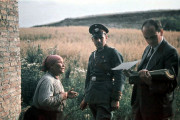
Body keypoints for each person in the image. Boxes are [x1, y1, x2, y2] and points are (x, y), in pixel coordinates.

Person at [125, 19, 179, 120]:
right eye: (146, 38)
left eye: (153, 37)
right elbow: (144, 72)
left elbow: (172, 84)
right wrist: (131, 74)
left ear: (161, 32)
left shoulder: (171, 52)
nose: (150, 41)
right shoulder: (148, 48)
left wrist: (150, 83)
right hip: (140, 106)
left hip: (158, 109)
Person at [80, 24, 125, 120]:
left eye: (101, 37)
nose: (99, 41)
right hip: (92, 97)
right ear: (92, 39)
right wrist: (86, 98)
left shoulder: (113, 53)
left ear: (106, 37)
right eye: (96, 38)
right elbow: (89, 78)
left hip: (105, 97)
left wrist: (116, 98)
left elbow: (119, 76)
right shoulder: (92, 55)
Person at [24, 55, 78, 120]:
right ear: (51, 66)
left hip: (51, 115)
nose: (63, 65)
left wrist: (67, 95)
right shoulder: (48, 80)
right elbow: (44, 101)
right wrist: (62, 96)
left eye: (63, 62)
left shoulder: (54, 78)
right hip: (44, 116)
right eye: (60, 63)